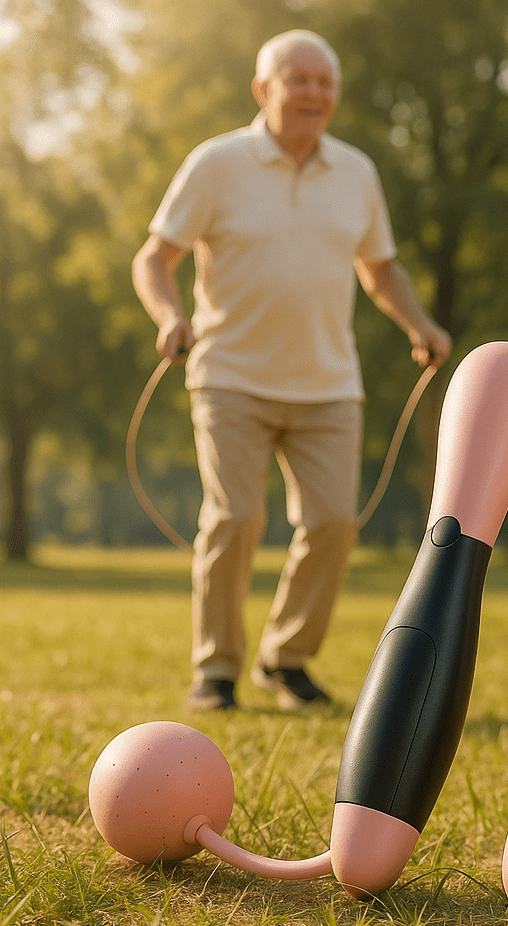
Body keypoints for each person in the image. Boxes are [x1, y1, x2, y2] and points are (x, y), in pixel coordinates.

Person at [132, 29, 451, 712]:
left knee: (334, 522)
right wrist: (168, 315)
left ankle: (286, 659)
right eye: (297, 79)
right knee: (235, 518)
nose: (313, 92)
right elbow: (154, 258)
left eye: (324, 82)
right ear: (263, 89)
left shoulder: (356, 172)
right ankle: (216, 670)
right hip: (229, 376)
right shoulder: (217, 163)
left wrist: (419, 324)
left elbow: (380, 268)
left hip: (329, 384)